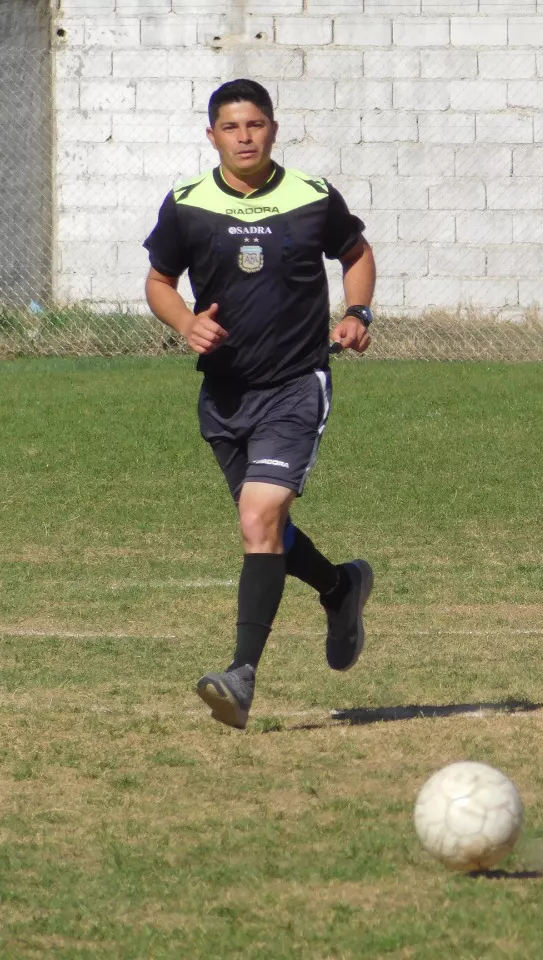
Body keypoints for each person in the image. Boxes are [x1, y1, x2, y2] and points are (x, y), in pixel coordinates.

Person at [143, 79, 378, 730]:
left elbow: (356, 254)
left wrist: (356, 312)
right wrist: (185, 322)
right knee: (264, 531)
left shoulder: (311, 197)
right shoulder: (187, 205)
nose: (244, 137)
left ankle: (241, 676)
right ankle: (340, 588)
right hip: (224, 394)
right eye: (231, 127)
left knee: (259, 514)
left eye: (255, 125)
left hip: (295, 385)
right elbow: (159, 282)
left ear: (273, 129)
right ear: (212, 134)